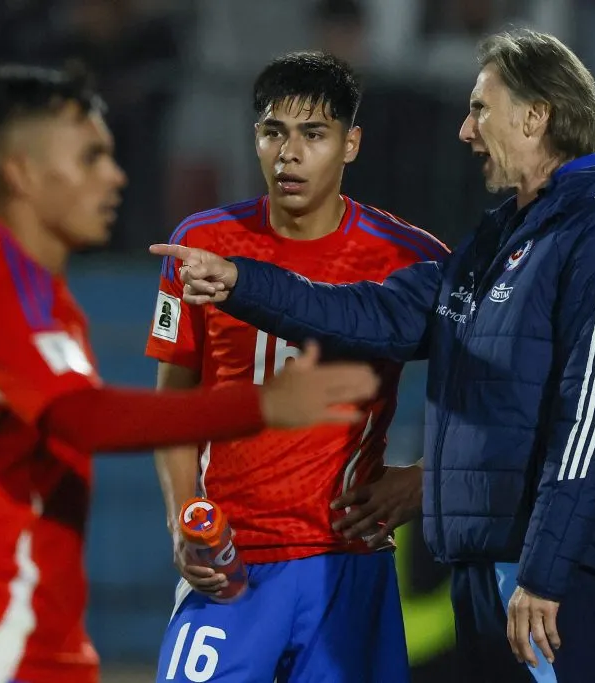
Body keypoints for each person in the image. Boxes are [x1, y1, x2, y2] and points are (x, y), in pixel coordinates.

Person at [152, 29, 595, 683]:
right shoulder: (498, 243)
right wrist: (241, 281)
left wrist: (545, 570)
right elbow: (374, 316)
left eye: (480, 109)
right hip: (481, 567)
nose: (464, 130)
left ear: (535, 115)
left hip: (535, 572)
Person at [0, 65, 380, 683]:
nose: (115, 176)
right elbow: (85, 417)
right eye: (91, 157)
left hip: (34, 639)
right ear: (22, 172)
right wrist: (260, 406)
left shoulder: (38, 295)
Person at [147, 51, 448, 683]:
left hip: (347, 566)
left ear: (351, 143)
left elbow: (480, 390)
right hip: (233, 564)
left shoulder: (410, 259)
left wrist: (427, 479)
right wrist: (183, 523)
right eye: (272, 131)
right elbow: (173, 408)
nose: (289, 153)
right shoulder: (198, 246)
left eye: (313, 134)